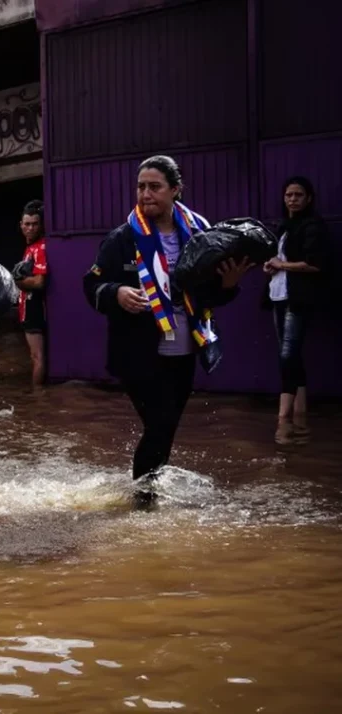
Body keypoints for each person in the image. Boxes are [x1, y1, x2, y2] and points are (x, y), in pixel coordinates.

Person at [83, 155, 253, 500]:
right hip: (137, 352)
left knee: (166, 428)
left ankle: (148, 491)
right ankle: (142, 504)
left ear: (175, 190)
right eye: (141, 186)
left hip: (184, 349)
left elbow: (209, 296)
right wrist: (117, 293)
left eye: (155, 187)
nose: (146, 194)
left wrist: (228, 285)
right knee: (160, 424)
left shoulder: (200, 236)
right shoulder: (122, 238)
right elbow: (91, 285)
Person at [263, 176, 329, 445]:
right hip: (279, 295)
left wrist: (282, 265)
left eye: (298, 195)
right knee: (291, 353)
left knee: (288, 354)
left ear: (309, 198)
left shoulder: (313, 227)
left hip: (299, 298)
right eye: (289, 194)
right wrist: (271, 266)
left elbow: (315, 265)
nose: (292, 199)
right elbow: (279, 261)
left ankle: (283, 419)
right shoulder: (284, 228)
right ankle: (300, 415)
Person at [15, 200, 48, 387]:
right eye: (27, 224)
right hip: (27, 307)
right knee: (34, 356)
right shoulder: (29, 248)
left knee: (37, 357)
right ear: (21, 225)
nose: (30, 228)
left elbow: (39, 281)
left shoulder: (41, 247)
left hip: (34, 308)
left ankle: (37, 399)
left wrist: (15, 281)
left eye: (35, 224)